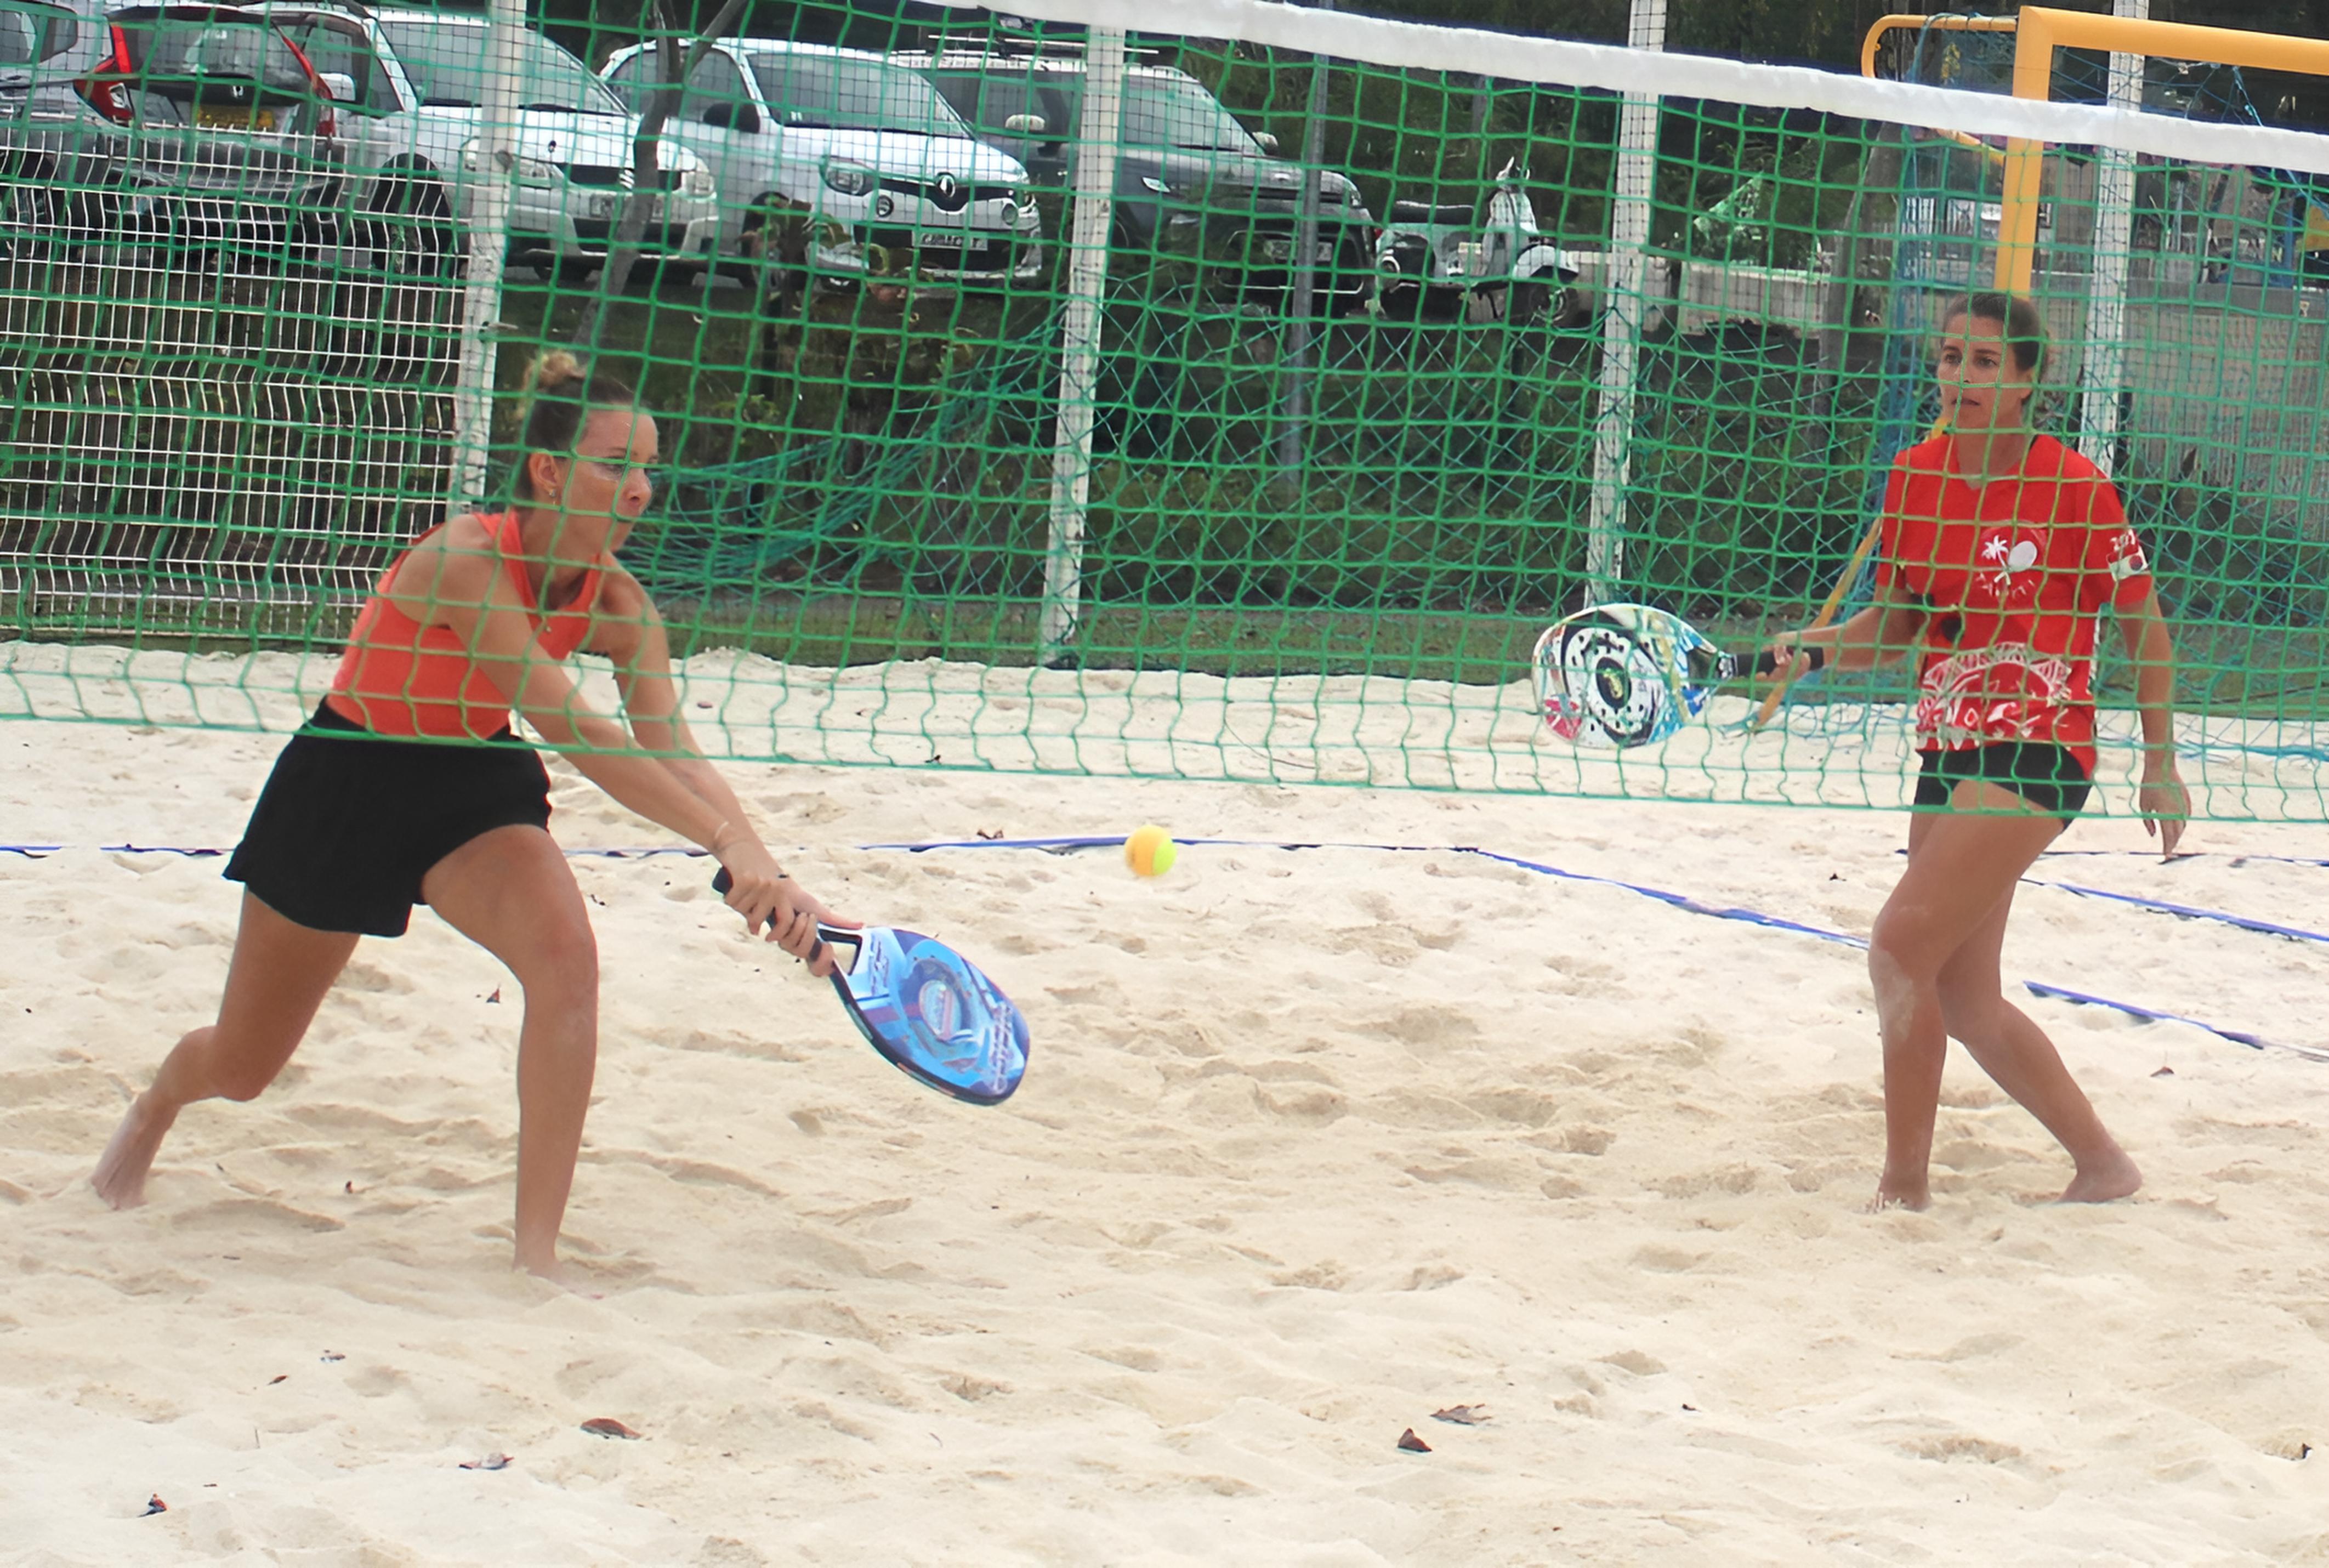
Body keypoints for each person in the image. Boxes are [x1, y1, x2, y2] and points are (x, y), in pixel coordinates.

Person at [91, 353, 850, 1277]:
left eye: (651, 467)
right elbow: (575, 727)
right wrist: (727, 844)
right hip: (347, 783)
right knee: (244, 1069)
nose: (642, 489)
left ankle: (537, 1260)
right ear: (549, 470)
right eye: (618, 464)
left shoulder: (619, 603)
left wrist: (764, 864)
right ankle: (157, 1107)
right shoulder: (466, 559)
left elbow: (670, 744)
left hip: (473, 789)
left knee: (567, 964)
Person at [1766, 291, 2188, 1212]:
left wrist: (2161, 759)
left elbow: (2144, 630)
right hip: (1950, 743)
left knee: (1898, 945)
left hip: (2042, 744)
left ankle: (1903, 1190)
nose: (1960, 376)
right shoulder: (1913, 476)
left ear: (2029, 381)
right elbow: (1905, 622)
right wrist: (1821, 645)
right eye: (1951, 357)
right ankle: (2103, 1165)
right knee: (1963, 1000)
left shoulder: (2074, 486)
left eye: (1985, 362)